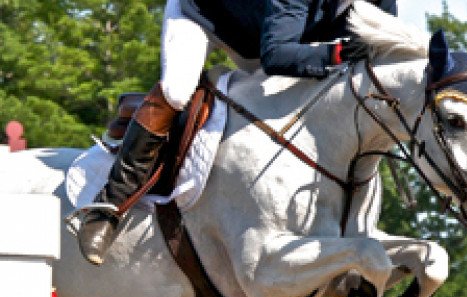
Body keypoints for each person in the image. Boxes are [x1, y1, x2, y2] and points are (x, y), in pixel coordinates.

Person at [77, 0, 398, 265]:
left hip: (268, 33)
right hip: (206, 15)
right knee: (177, 90)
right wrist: (338, 54)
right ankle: (108, 207)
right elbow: (277, 55)